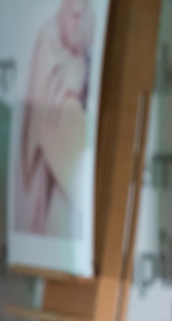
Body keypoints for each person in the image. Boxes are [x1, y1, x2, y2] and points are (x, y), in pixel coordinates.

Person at [14, 0, 94, 237]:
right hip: (46, 169)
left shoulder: (81, 45)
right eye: (75, 15)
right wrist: (70, 82)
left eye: (82, 15)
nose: (78, 23)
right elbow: (44, 112)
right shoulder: (48, 39)